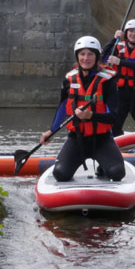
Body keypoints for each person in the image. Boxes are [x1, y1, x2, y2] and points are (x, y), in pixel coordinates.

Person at [40, 36, 125, 182]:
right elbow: (62, 108)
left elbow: (115, 117)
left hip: (102, 139)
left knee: (117, 173)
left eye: (90, 54)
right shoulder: (69, 79)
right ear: (77, 56)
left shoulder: (108, 80)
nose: (86, 58)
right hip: (76, 138)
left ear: (97, 56)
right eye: (82, 54)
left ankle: (103, 167)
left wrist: (90, 115)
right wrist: (51, 131)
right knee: (60, 174)